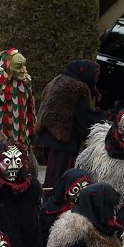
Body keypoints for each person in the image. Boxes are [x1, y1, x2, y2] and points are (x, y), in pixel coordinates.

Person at [36, 59, 107, 188]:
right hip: (63, 141)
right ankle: (54, 205)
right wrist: (104, 118)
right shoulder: (77, 88)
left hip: (49, 136)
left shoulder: (59, 80)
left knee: (52, 177)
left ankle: (49, 201)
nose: (96, 79)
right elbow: (84, 117)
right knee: (59, 181)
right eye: (95, 75)